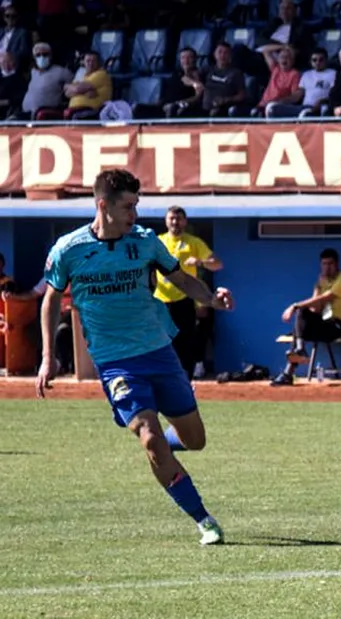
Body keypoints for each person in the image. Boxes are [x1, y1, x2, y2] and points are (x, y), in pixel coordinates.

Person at [35, 169, 235, 545]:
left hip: (159, 352)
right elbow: (50, 300)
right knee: (147, 436)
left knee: (195, 440)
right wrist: (47, 358)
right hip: (115, 363)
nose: (135, 214)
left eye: (136, 206)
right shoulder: (69, 249)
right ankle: (203, 519)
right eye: (128, 206)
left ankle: (167, 442)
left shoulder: (145, 242)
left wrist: (210, 298)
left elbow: (179, 279)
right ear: (103, 205)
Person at [271, 248, 341, 385]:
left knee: (300, 314)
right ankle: (299, 352)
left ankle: (290, 370)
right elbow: (316, 308)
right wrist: (318, 286)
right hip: (326, 324)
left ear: (337, 264)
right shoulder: (322, 282)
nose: (327, 268)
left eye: (330, 264)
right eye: (324, 264)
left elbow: (324, 299)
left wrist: (295, 306)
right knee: (301, 320)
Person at [155, 206, 223, 380]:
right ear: (166, 220)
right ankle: (161, 377)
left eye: (178, 219)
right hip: (160, 300)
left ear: (185, 221)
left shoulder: (193, 242)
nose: (175, 222)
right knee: (160, 341)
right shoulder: (158, 241)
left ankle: (185, 378)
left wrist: (200, 262)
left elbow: (217, 264)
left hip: (184, 299)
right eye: (171, 218)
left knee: (185, 340)